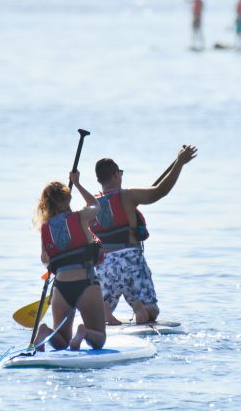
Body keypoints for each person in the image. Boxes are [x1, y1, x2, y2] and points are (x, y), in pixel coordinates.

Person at [88, 145, 198, 324]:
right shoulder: (128, 196)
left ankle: (105, 311)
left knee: (99, 309)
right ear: (116, 174)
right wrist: (180, 162)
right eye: (120, 172)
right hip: (130, 258)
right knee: (151, 311)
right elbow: (159, 192)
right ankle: (141, 308)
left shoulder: (90, 204)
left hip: (105, 263)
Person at [32, 171, 106, 350]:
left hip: (60, 288)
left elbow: (46, 261)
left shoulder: (45, 229)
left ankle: (45, 331)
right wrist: (78, 183)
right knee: (99, 339)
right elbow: (96, 206)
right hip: (86, 282)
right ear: (67, 199)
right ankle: (83, 332)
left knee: (62, 342)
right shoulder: (80, 217)